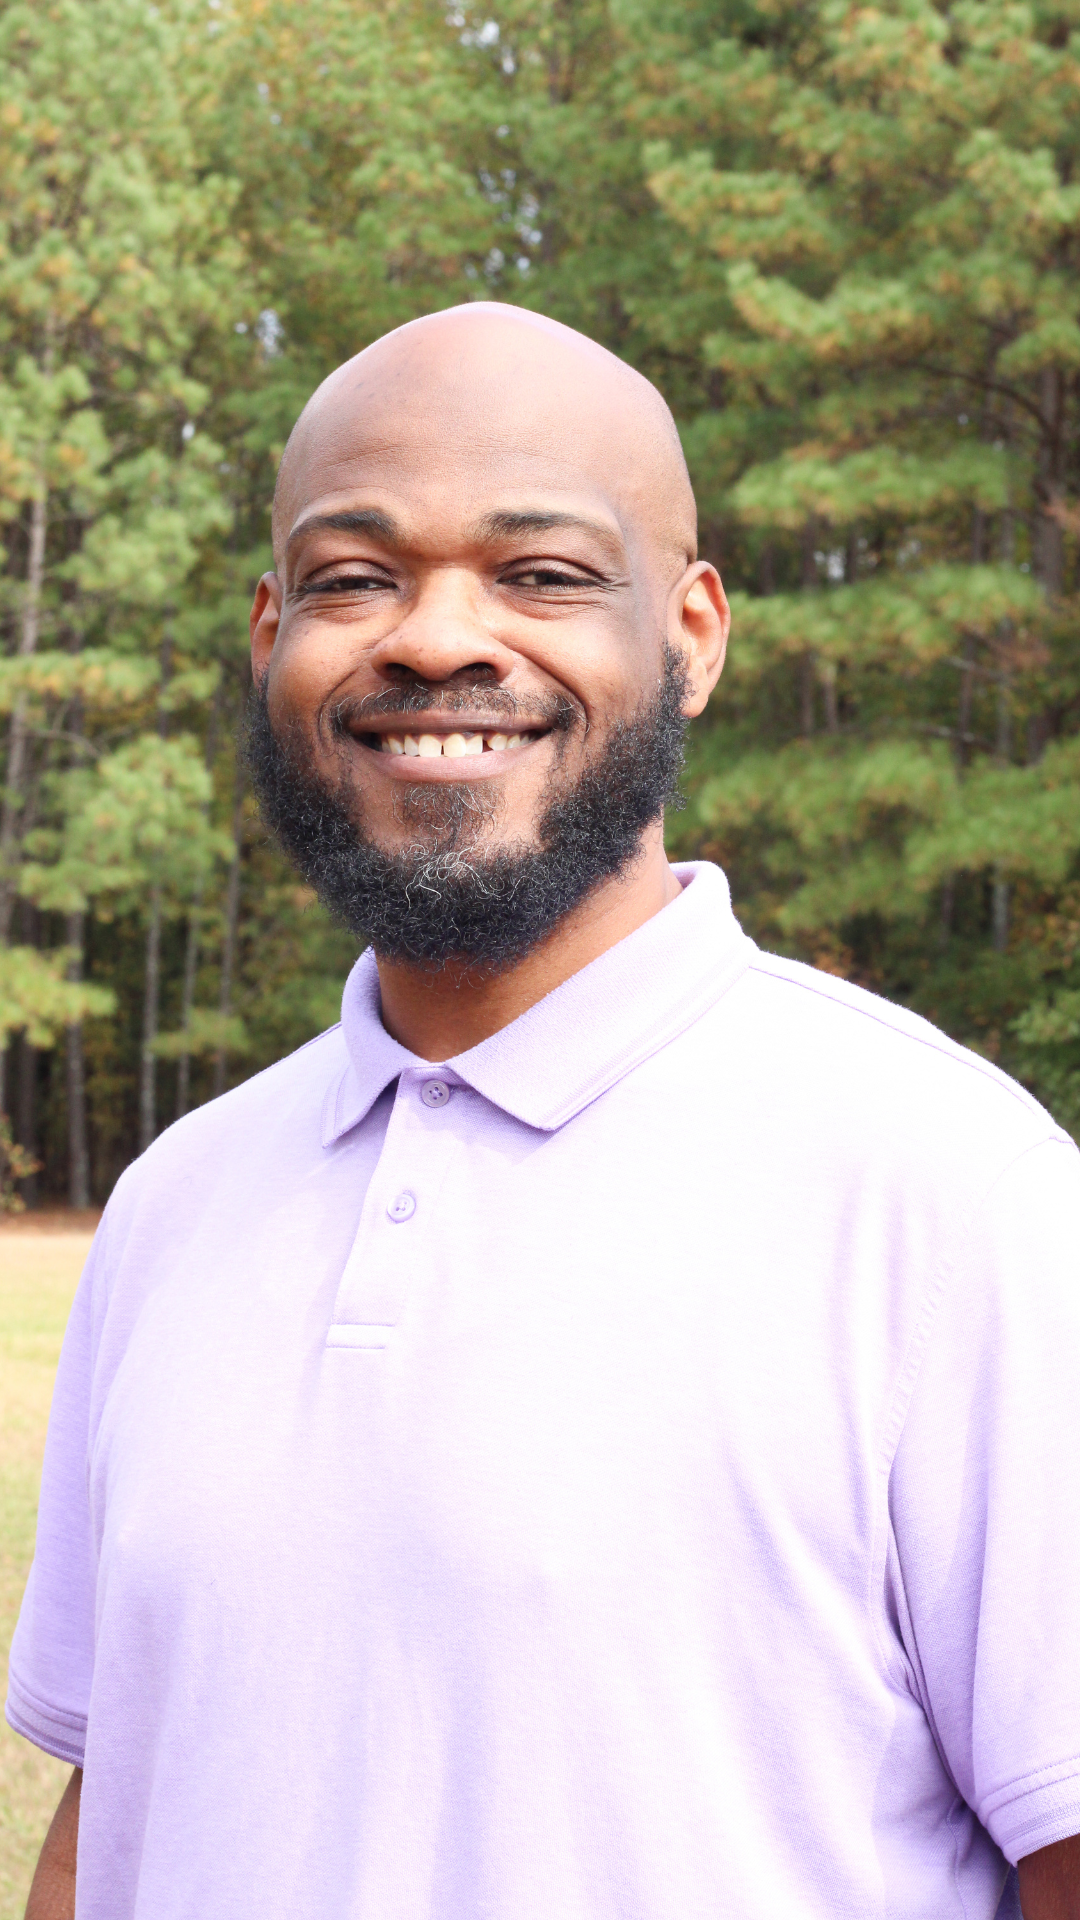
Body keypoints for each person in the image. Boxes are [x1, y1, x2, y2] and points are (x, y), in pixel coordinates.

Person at [8, 303, 1080, 1920]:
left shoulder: (950, 1195)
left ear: (693, 636)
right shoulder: (177, 1201)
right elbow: (122, 1812)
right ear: (269, 636)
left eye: (543, 573)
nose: (437, 638)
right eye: (354, 576)